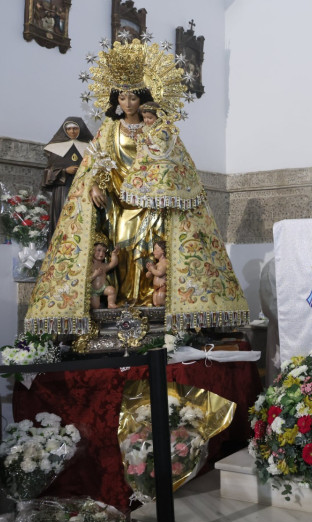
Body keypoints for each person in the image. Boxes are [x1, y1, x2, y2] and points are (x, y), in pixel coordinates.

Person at [26, 39, 249, 335]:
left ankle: (150, 301)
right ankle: (120, 301)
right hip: (117, 202)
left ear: (142, 98)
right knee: (121, 250)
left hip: (150, 203)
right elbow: (91, 164)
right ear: (116, 100)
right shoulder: (109, 128)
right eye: (122, 98)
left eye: (133, 98)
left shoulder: (155, 128)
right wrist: (92, 185)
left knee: (150, 250)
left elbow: (175, 163)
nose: (128, 104)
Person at [42, 117, 93, 239]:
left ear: (81, 129)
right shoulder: (55, 148)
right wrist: (65, 171)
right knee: (62, 218)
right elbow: (48, 173)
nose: (72, 132)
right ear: (64, 130)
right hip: (62, 189)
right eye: (69, 129)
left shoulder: (91, 147)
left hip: (83, 190)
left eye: (75, 128)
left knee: (80, 220)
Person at [90, 241, 119, 309]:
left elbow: (113, 263)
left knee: (111, 290)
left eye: (104, 251)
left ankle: (111, 304)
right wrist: (95, 274)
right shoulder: (89, 266)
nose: (101, 253)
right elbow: (87, 279)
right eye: (99, 250)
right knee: (95, 306)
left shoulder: (103, 266)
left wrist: (114, 254)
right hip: (93, 290)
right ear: (92, 250)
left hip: (103, 288)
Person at [145, 240, 167, 307]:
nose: (153, 252)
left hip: (162, 287)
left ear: (163, 251)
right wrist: (150, 271)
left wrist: (152, 269)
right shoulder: (157, 264)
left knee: (161, 301)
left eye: (155, 249)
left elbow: (159, 273)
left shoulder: (165, 262)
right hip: (156, 288)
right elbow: (148, 276)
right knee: (156, 302)